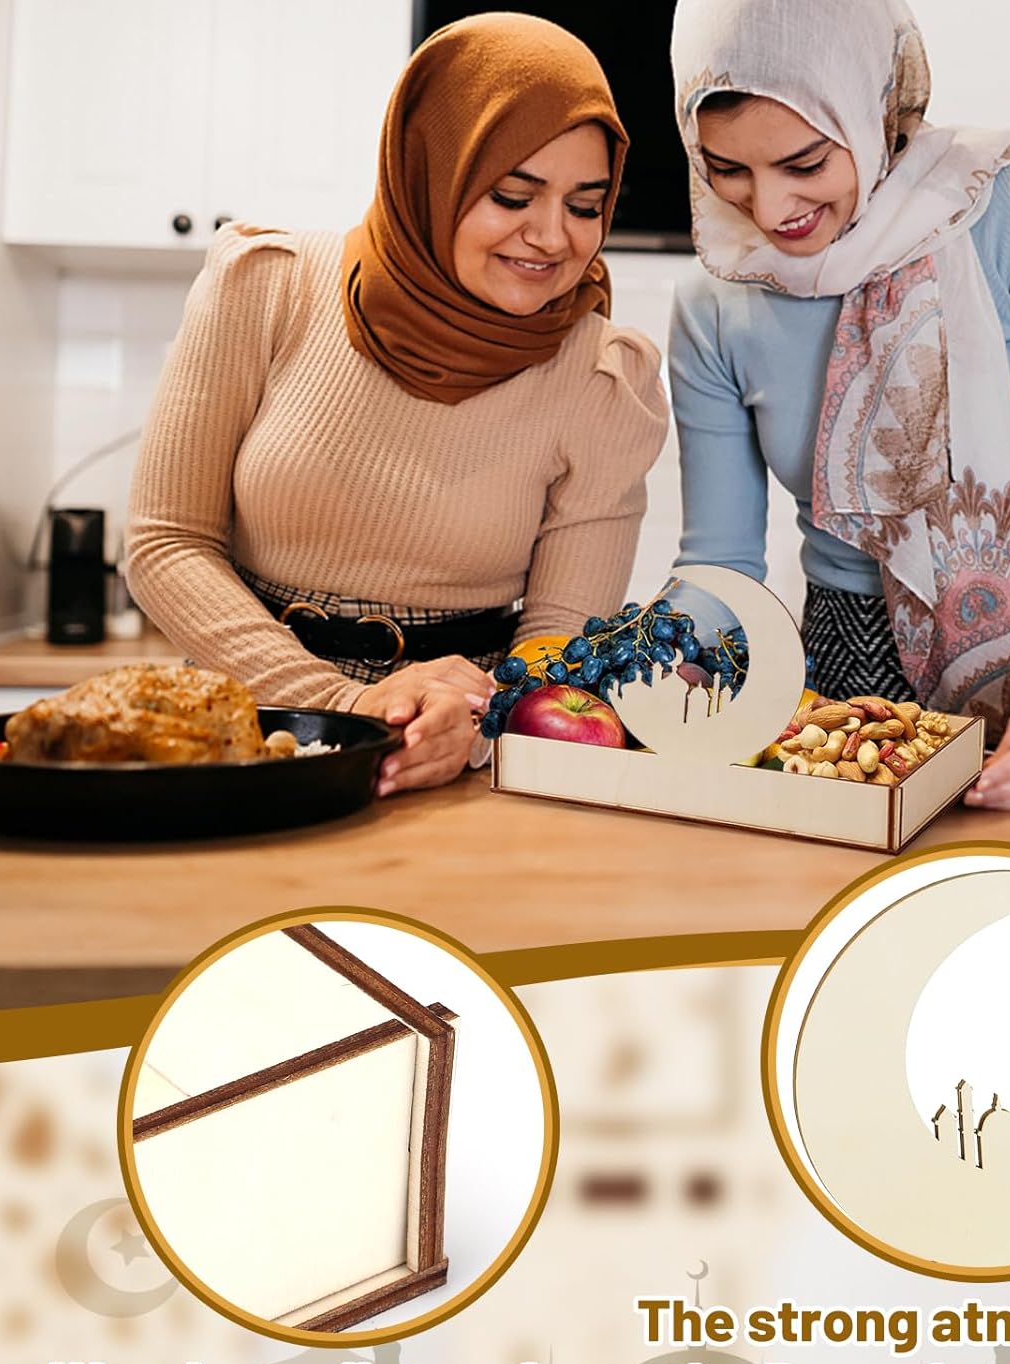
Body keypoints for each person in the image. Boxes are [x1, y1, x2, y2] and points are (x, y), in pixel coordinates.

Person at [668, 0, 1010, 831]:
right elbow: (722, 571)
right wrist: (650, 685)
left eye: (804, 162)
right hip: (852, 691)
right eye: (726, 170)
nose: (770, 210)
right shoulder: (713, 299)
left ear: (873, 104)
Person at [127, 15, 668, 795]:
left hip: (456, 753)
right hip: (241, 729)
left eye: (586, 206)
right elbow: (165, 543)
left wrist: (475, 730)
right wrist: (343, 707)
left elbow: (561, 643)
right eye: (513, 194)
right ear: (429, 170)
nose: (552, 237)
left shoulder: (607, 378)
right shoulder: (267, 284)